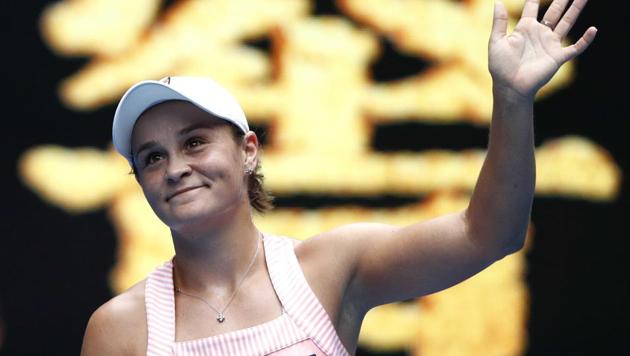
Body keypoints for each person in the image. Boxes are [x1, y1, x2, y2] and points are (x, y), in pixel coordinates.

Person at [80, 0, 597, 354]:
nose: (175, 168)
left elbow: (488, 233)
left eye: (194, 142)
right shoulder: (118, 328)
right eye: (151, 157)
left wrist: (512, 99)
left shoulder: (329, 268)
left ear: (248, 151)